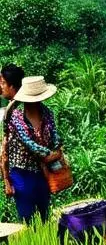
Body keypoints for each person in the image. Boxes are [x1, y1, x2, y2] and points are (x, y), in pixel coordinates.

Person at [3, 75, 63, 223]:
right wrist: (53, 155)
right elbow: (31, 145)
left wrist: (55, 151)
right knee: (27, 217)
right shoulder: (16, 118)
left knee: (44, 215)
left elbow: (56, 138)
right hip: (22, 173)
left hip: (42, 172)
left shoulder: (48, 114)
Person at [0, 64, 26, 205]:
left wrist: (6, 180)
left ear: (12, 86)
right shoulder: (25, 106)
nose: (1, 86)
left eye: (3, 82)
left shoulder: (14, 112)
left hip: (20, 174)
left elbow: (5, 150)